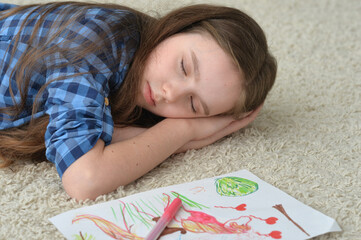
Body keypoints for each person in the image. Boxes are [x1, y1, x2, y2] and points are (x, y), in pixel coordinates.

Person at [0, 2, 277, 200]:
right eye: (183, 66)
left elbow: (104, 136)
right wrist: (184, 131)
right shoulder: (94, 45)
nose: (170, 92)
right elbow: (85, 179)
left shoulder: (128, 76)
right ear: (177, 27)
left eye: (193, 105)